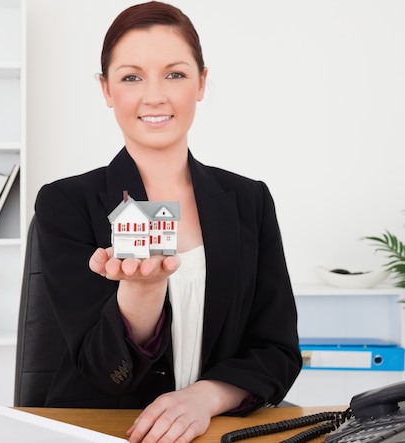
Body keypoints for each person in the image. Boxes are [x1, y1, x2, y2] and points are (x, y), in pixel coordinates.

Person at [33, 2, 302, 442]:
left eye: (174, 74)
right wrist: (142, 291)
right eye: (131, 77)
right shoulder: (65, 202)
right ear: (106, 90)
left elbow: (277, 351)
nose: (154, 96)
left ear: (201, 82)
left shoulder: (249, 200)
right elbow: (104, 374)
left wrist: (205, 397)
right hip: (105, 430)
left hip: (216, 430)